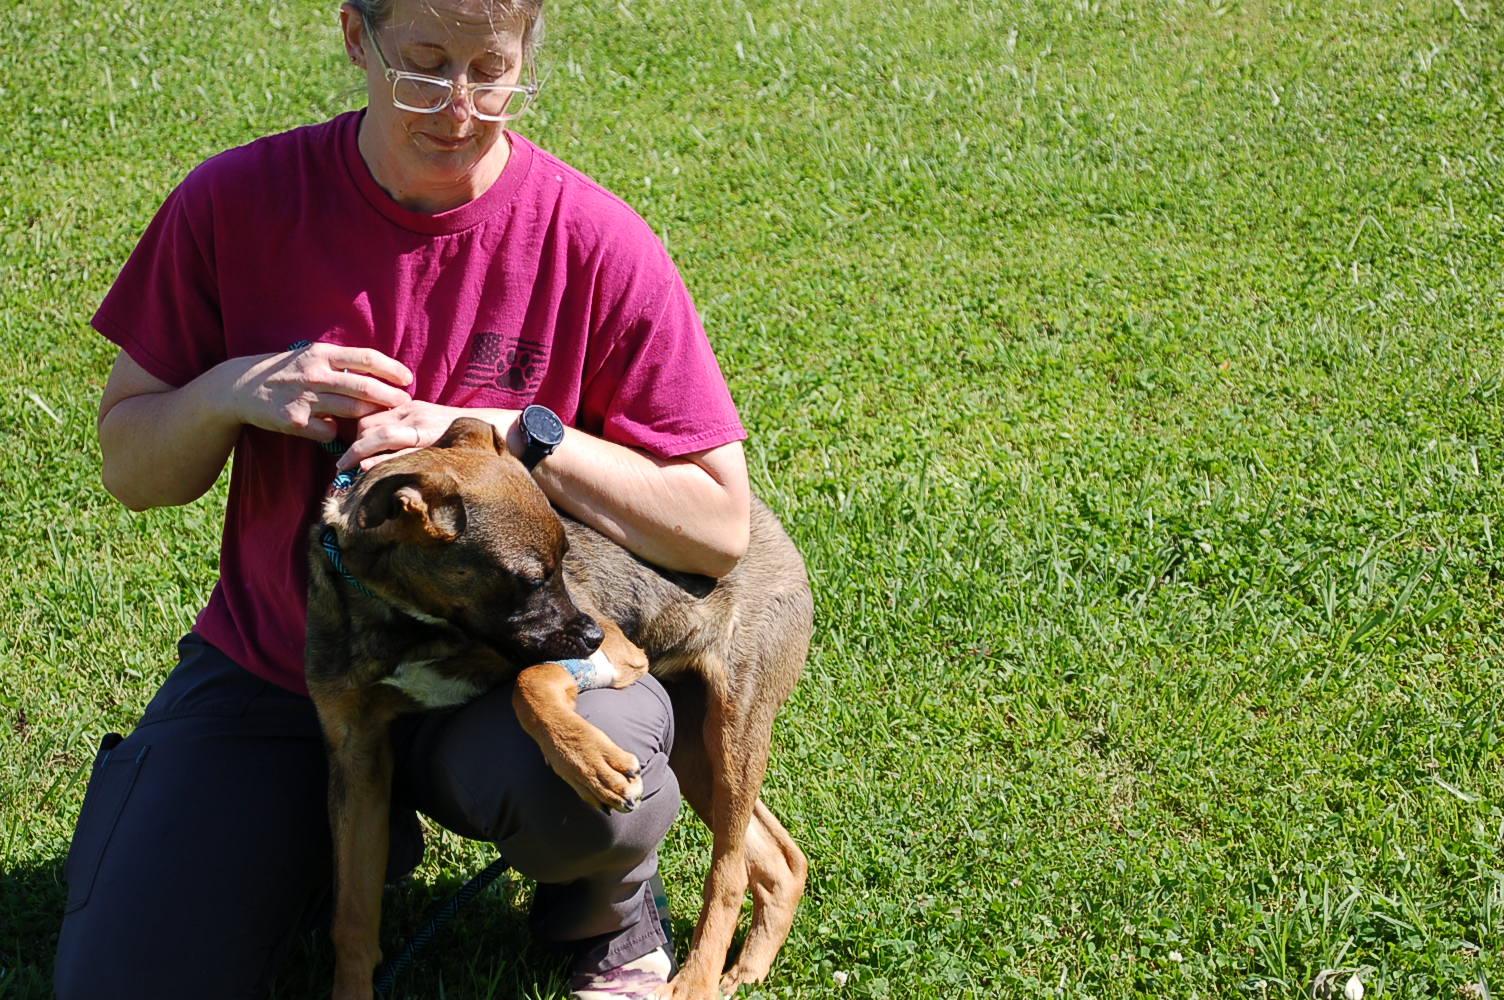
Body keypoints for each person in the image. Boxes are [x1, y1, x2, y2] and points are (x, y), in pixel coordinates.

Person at [53, 0, 750, 996]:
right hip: (281, 668)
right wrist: (229, 391)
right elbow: (131, 468)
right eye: (423, 66)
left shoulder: (592, 238)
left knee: (597, 796)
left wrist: (517, 432)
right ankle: (307, 838)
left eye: (491, 70)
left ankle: (603, 904)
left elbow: (719, 523)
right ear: (356, 37)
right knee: (131, 979)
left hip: (509, 659)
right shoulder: (236, 202)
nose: (458, 107)